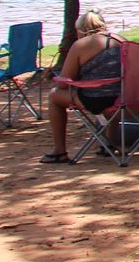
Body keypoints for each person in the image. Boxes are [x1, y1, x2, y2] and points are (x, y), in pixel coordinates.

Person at [42, 11, 120, 164]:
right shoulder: (120, 40)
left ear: (81, 30)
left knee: (54, 96)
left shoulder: (80, 46)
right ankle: (108, 144)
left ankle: (60, 151)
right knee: (114, 89)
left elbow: (63, 83)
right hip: (123, 100)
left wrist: (57, 78)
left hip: (94, 100)